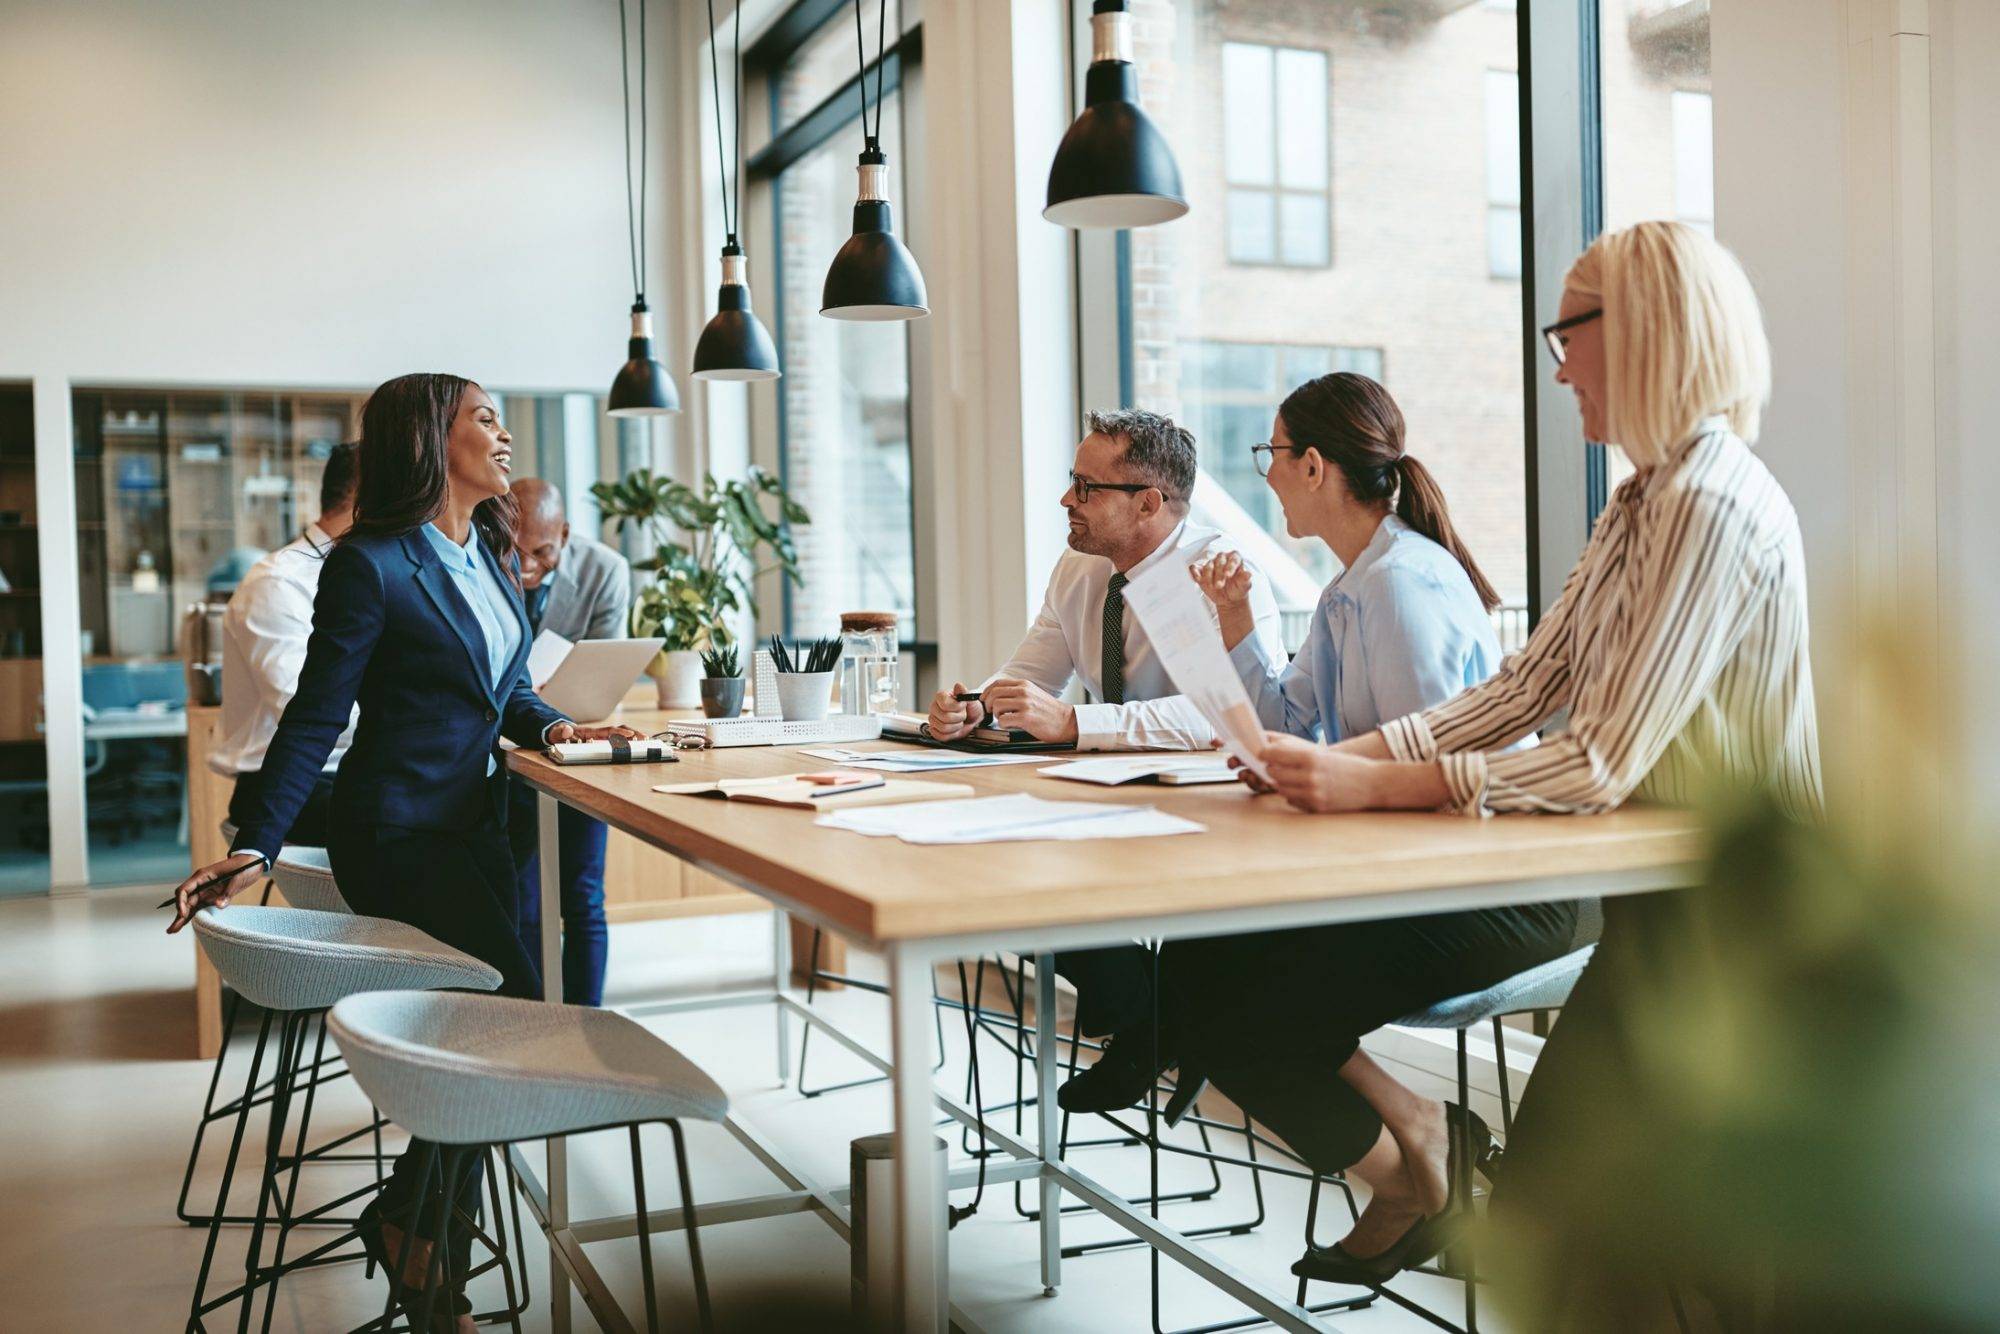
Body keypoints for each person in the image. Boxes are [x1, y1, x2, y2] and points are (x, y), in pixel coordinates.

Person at [1226, 222, 1822, 1301]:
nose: (1555, 365)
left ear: (1639, 331)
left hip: (1739, 929)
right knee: (1588, 1234)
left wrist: (1370, 777)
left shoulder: (1705, 503)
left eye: (1567, 332)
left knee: (1597, 1234)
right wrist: (1339, 761)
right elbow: (1518, 690)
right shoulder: (1641, 499)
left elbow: (1592, 757)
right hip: (1666, 908)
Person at [166, 374, 643, 1330]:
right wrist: (255, 840)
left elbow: (504, 689)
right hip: (395, 833)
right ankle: (424, 1250)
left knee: (494, 1019)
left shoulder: (491, 552)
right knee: (507, 1007)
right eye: (485, 419)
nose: (505, 437)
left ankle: (412, 1228)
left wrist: (556, 732)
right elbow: (315, 714)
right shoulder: (371, 563)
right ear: (432, 440)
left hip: (469, 831)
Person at [925, 408, 1285, 1080]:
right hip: (1110, 804)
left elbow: (1223, 714)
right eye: (1072, 481)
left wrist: (1075, 725)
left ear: (1149, 503)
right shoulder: (1078, 570)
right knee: (989, 864)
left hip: (1209, 818)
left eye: (1087, 488)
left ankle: (1149, 1022)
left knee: (1038, 868)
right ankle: (1149, 1017)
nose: (1067, 499)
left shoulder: (1221, 573)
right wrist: (970, 707)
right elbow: (1028, 676)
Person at [504, 476, 633, 1007]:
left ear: (566, 534)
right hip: (509, 753)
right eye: (516, 551)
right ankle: (535, 1027)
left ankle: (586, 1023)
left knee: (582, 895)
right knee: (524, 897)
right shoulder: (487, 565)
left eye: (543, 552)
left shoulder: (605, 571)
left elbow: (604, 671)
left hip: (580, 747)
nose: (528, 567)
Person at [208, 441, 361, 846]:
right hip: (284, 782)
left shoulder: (361, 575)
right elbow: (309, 711)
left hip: (348, 773)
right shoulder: (278, 584)